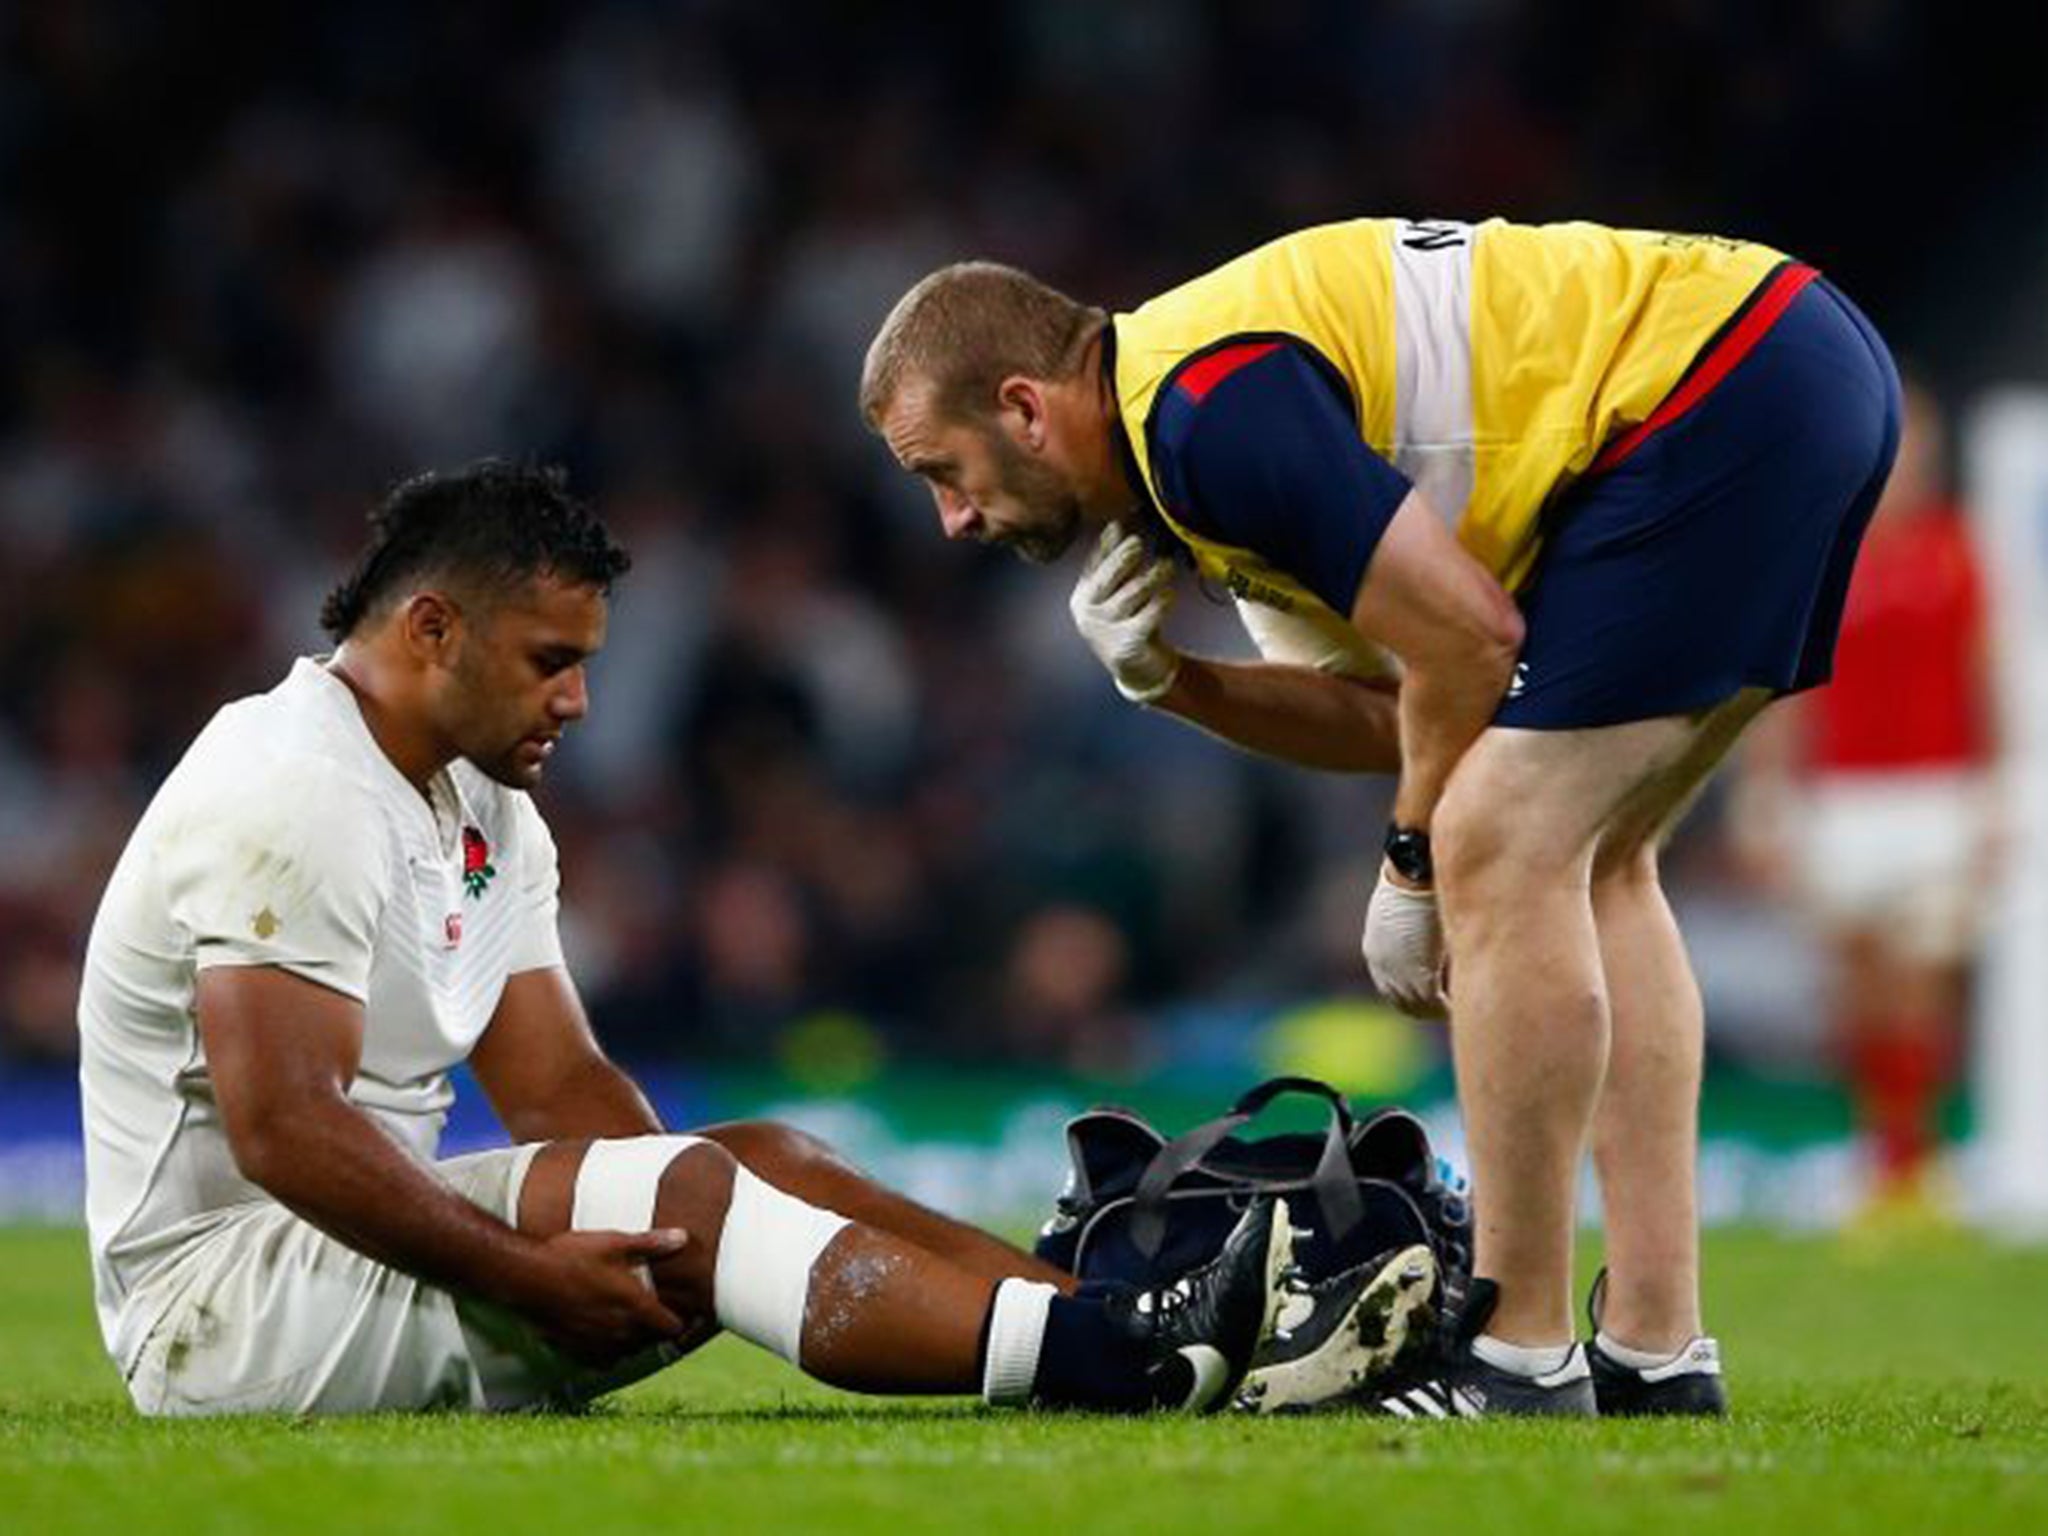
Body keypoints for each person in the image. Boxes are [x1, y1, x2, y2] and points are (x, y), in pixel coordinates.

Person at [861, 216, 1902, 1417]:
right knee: (1596, 857)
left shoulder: (1204, 415)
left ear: (1024, 409)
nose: (951, 517)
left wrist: (1410, 865)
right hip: (1776, 362)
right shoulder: (1189, 444)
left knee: (1493, 841)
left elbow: (1468, 637)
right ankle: (1655, 1351)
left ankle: (1514, 1356)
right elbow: (1399, 707)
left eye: (942, 471)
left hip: (1729, 381)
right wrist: (1170, 681)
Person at [78, 461, 1349, 1417]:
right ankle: (1109, 1366)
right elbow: (284, 1126)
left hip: (351, 1269)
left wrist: (711, 1222)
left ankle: (1132, 1316)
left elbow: (561, 1092)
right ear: (428, 630)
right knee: (704, 1189)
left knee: (766, 1159)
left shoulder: (480, 808)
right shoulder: (286, 784)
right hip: (221, 1315)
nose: (575, 700)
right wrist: (546, 1274)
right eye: (547, 661)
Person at [1729, 377, 1997, 1230]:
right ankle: (1881, 1162)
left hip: (1936, 792)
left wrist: (2004, 790)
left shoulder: (1960, 549)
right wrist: (1766, 797)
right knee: (1860, 988)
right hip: (1843, 796)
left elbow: (1988, 677)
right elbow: (1787, 687)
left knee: (1923, 982)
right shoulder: (1827, 552)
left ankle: (1920, 1161)